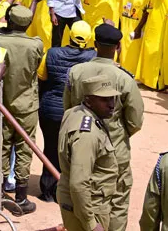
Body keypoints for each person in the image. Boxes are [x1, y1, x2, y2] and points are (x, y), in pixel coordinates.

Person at [65, 23, 144, 231]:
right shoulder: (124, 79)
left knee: (81, 195)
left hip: (80, 146)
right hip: (115, 152)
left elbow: (69, 109)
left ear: (94, 44)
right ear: (118, 47)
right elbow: (135, 121)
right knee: (117, 203)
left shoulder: (75, 72)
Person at [37, 20, 95, 202]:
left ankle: (48, 191)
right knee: (73, 152)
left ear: (69, 34)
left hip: (50, 110)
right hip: (76, 113)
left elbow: (41, 77)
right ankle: (68, 192)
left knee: (51, 148)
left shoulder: (52, 53)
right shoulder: (93, 57)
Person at [0, 4, 43, 215]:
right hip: (27, 106)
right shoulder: (36, 45)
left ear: (9, 21)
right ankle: (21, 198)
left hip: (3, 103)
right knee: (24, 149)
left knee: (1, 147)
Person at [57, 75, 119, 231]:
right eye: (104, 100)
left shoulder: (73, 112)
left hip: (78, 202)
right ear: (89, 100)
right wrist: (91, 224)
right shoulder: (88, 134)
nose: (111, 104)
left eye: (112, 98)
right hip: (90, 205)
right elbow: (79, 183)